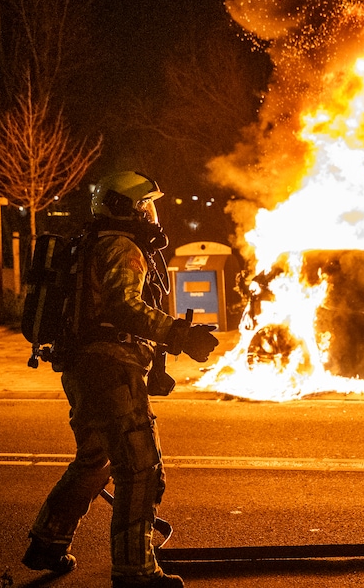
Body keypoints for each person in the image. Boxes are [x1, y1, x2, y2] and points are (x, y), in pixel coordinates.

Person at [21, 171, 219, 588]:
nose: (150, 213)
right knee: (140, 469)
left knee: (95, 461)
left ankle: (47, 543)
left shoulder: (90, 243)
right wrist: (178, 334)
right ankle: (135, 572)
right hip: (111, 370)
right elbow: (125, 308)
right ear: (126, 208)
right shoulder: (122, 246)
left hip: (84, 371)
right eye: (144, 205)